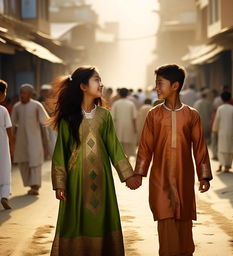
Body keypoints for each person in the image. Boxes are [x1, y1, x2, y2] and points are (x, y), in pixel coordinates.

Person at [49, 66, 139, 256]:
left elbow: (114, 148)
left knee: (101, 222)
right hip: (76, 183)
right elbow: (60, 153)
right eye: (96, 80)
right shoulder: (68, 118)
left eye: (100, 80)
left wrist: (128, 176)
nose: (101, 84)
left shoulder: (104, 115)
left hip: (102, 182)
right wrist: (59, 183)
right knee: (76, 221)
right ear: (82, 86)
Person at [133, 64, 212, 256]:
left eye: (160, 84)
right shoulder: (154, 115)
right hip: (160, 178)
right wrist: (138, 174)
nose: (156, 88)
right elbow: (145, 146)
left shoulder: (192, 115)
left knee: (184, 219)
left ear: (175, 85)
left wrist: (204, 176)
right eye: (156, 84)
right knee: (165, 216)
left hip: (184, 178)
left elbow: (200, 146)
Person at [11, 84, 49, 196]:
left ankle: (35, 187)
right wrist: (11, 140)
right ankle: (31, 185)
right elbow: (12, 124)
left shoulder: (36, 106)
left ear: (30, 94)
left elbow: (45, 121)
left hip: (35, 139)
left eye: (24, 93)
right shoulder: (17, 107)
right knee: (23, 162)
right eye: (21, 93)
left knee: (35, 162)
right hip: (21, 140)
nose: (21, 95)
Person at [213, 92, 233, 173]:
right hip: (232, 131)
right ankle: (228, 165)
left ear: (221, 99)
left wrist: (215, 129)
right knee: (231, 148)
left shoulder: (220, 108)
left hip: (222, 131)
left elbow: (217, 120)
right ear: (230, 98)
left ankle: (221, 164)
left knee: (222, 148)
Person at [111, 88, 137, 159]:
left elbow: (113, 117)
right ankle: (128, 158)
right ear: (128, 94)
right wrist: (135, 128)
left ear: (119, 94)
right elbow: (134, 117)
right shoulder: (131, 104)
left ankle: (120, 159)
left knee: (119, 144)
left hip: (118, 126)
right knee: (128, 144)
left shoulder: (116, 104)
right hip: (129, 127)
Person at [0, 80, 14, 209]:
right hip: (2, 146)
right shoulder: (3, 110)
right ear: (1, 94)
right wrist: (12, 144)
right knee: (4, 170)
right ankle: (4, 196)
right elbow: (9, 129)